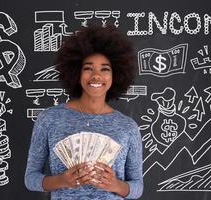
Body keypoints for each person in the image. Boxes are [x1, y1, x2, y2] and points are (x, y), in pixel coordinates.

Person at [24, 24, 143, 200]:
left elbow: (137, 187)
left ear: (116, 75)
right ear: (76, 72)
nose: (96, 76)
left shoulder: (128, 127)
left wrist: (116, 185)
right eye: (88, 68)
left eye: (105, 69)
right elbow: (30, 178)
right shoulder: (49, 119)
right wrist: (61, 181)